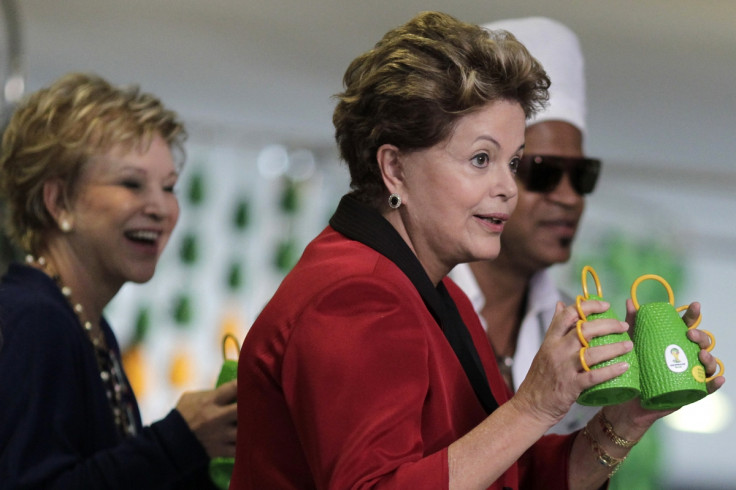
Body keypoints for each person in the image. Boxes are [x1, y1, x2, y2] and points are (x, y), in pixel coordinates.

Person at [230, 11, 723, 490]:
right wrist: (532, 407)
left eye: (512, 163)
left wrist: (628, 415)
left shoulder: (441, 295)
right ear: (395, 170)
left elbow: (509, 476)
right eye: (481, 159)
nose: (508, 187)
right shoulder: (355, 294)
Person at [0, 73, 238, 489]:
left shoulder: (85, 324)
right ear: (58, 202)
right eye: (132, 184)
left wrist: (204, 452)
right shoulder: (34, 319)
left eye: (169, 187)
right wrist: (178, 441)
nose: (161, 208)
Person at [449, 16, 601, 434]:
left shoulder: (578, 332)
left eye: (582, 175)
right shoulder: (411, 296)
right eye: (544, 172)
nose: (570, 198)